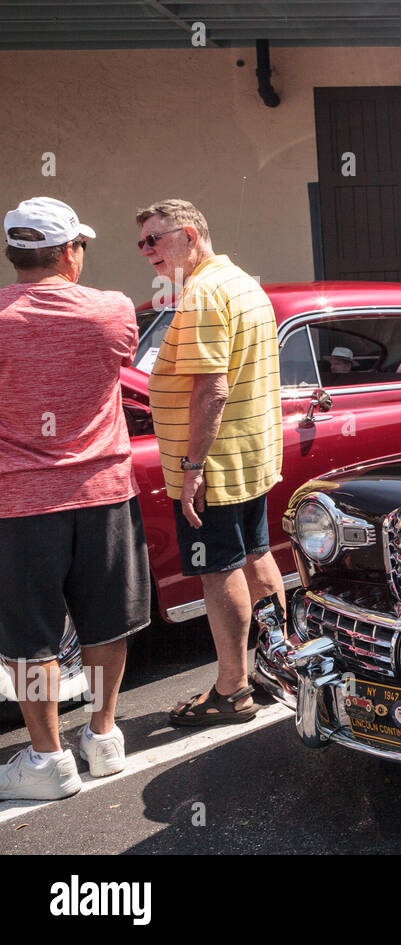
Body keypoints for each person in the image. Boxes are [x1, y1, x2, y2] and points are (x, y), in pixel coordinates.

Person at [0, 198, 149, 799]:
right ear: (68, 253)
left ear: (14, 255)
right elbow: (118, 368)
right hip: (103, 490)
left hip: (18, 502)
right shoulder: (112, 310)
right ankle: (104, 735)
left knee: (29, 636)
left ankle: (47, 758)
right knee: (105, 619)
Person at [137, 199, 285, 724]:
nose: (147, 251)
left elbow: (212, 389)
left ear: (191, 235)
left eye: (156, 239)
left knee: (217, 570)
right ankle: (278, 664)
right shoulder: (243, 282)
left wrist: (192, 466)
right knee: (257, 556)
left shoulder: (201, 293)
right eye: (142, 242)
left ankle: (233, 690)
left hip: (214, 465)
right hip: (249, 455)